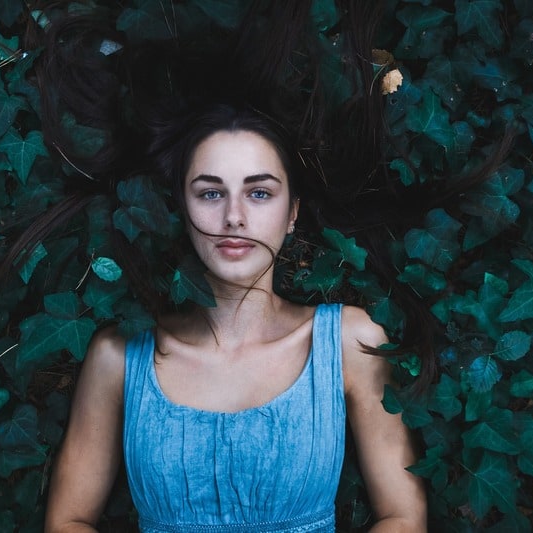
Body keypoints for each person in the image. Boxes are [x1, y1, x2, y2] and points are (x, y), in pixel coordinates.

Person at [43, 104, 427, 532]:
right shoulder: (120, 356)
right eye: (210, 193)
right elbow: (67, 521)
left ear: (293, 212)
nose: (234, 216)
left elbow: (403, 517)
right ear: (182, 209)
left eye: (259, 192)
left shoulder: (346, 342)